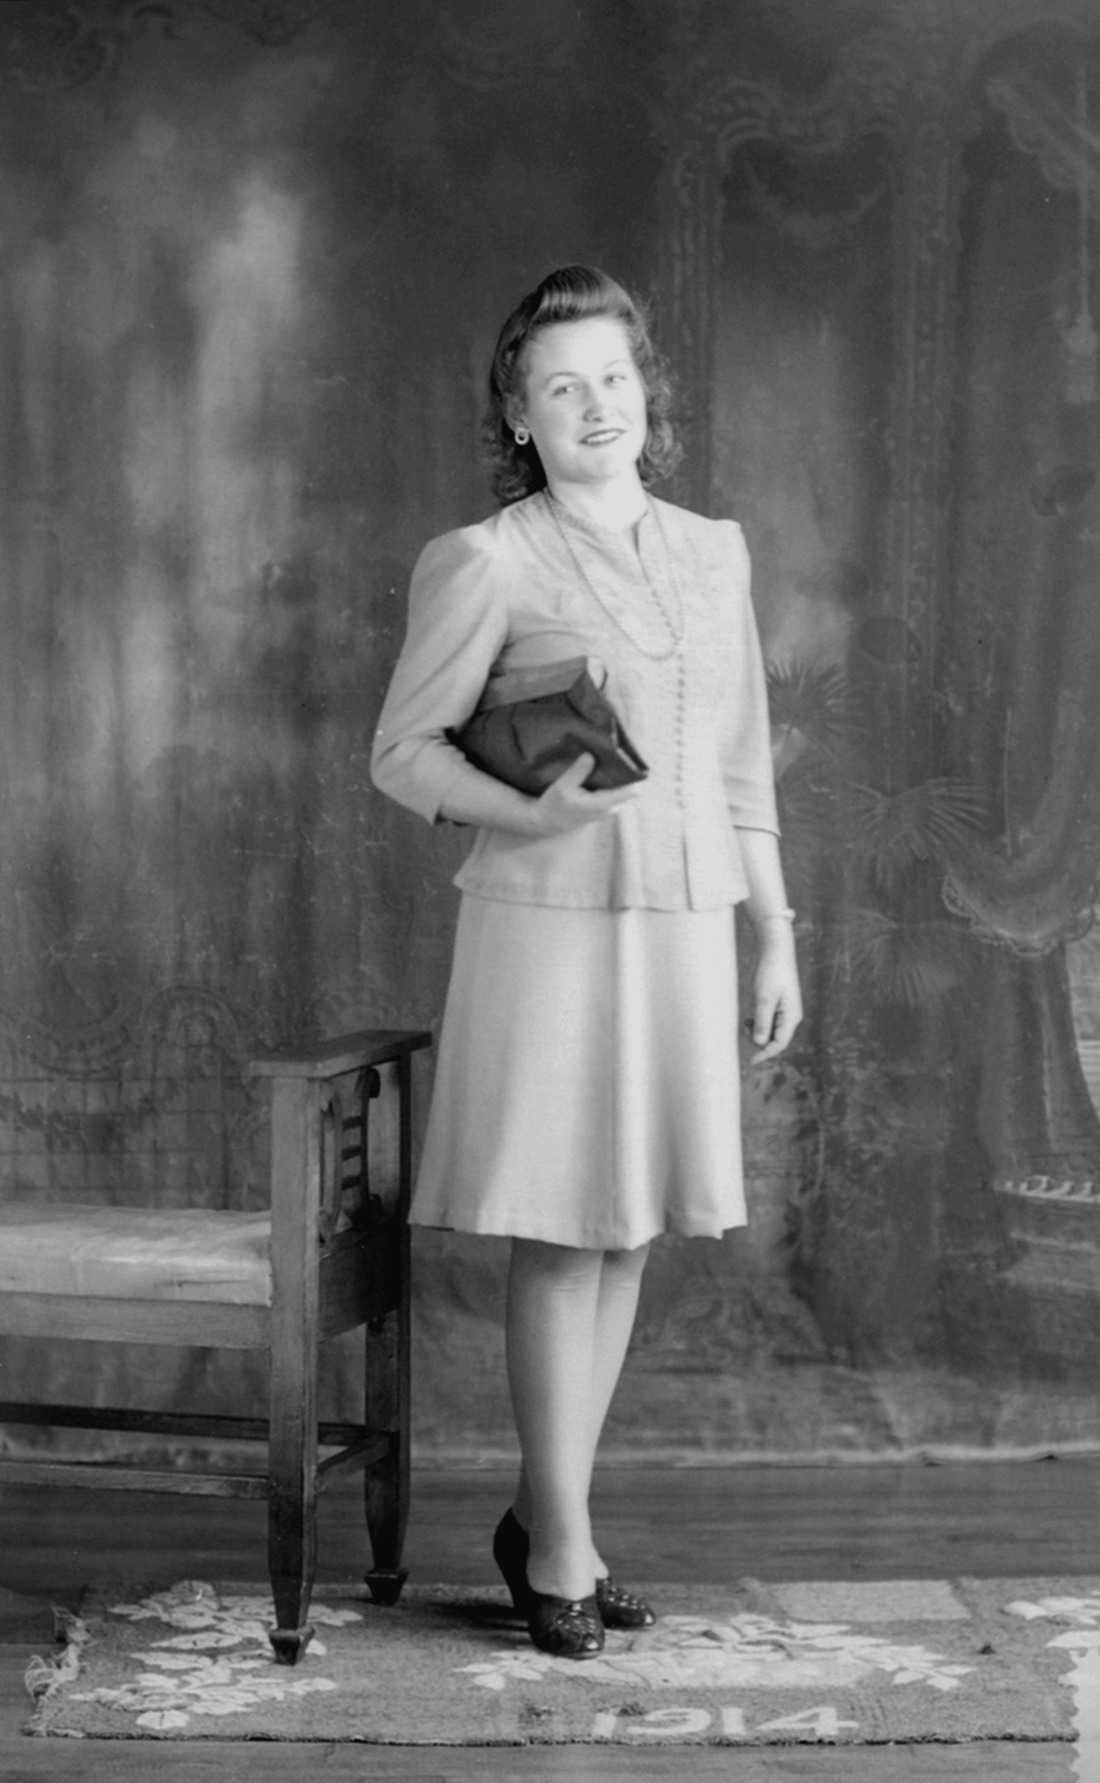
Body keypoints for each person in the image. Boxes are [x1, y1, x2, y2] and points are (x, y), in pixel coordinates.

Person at [371, 265, 801, 1659]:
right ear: (521, 413)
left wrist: (774, 931)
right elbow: (403, 753)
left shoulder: (716, 552)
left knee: (628, 1231)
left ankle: (550, 1519)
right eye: (562, 387)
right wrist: (526, 813)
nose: (595, 405)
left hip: (683, 926)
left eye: (613, 377)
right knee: (564, 1229)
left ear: (645, 391)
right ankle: (557, 1545)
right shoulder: (486, 558)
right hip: (546, 931)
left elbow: (740, 768)